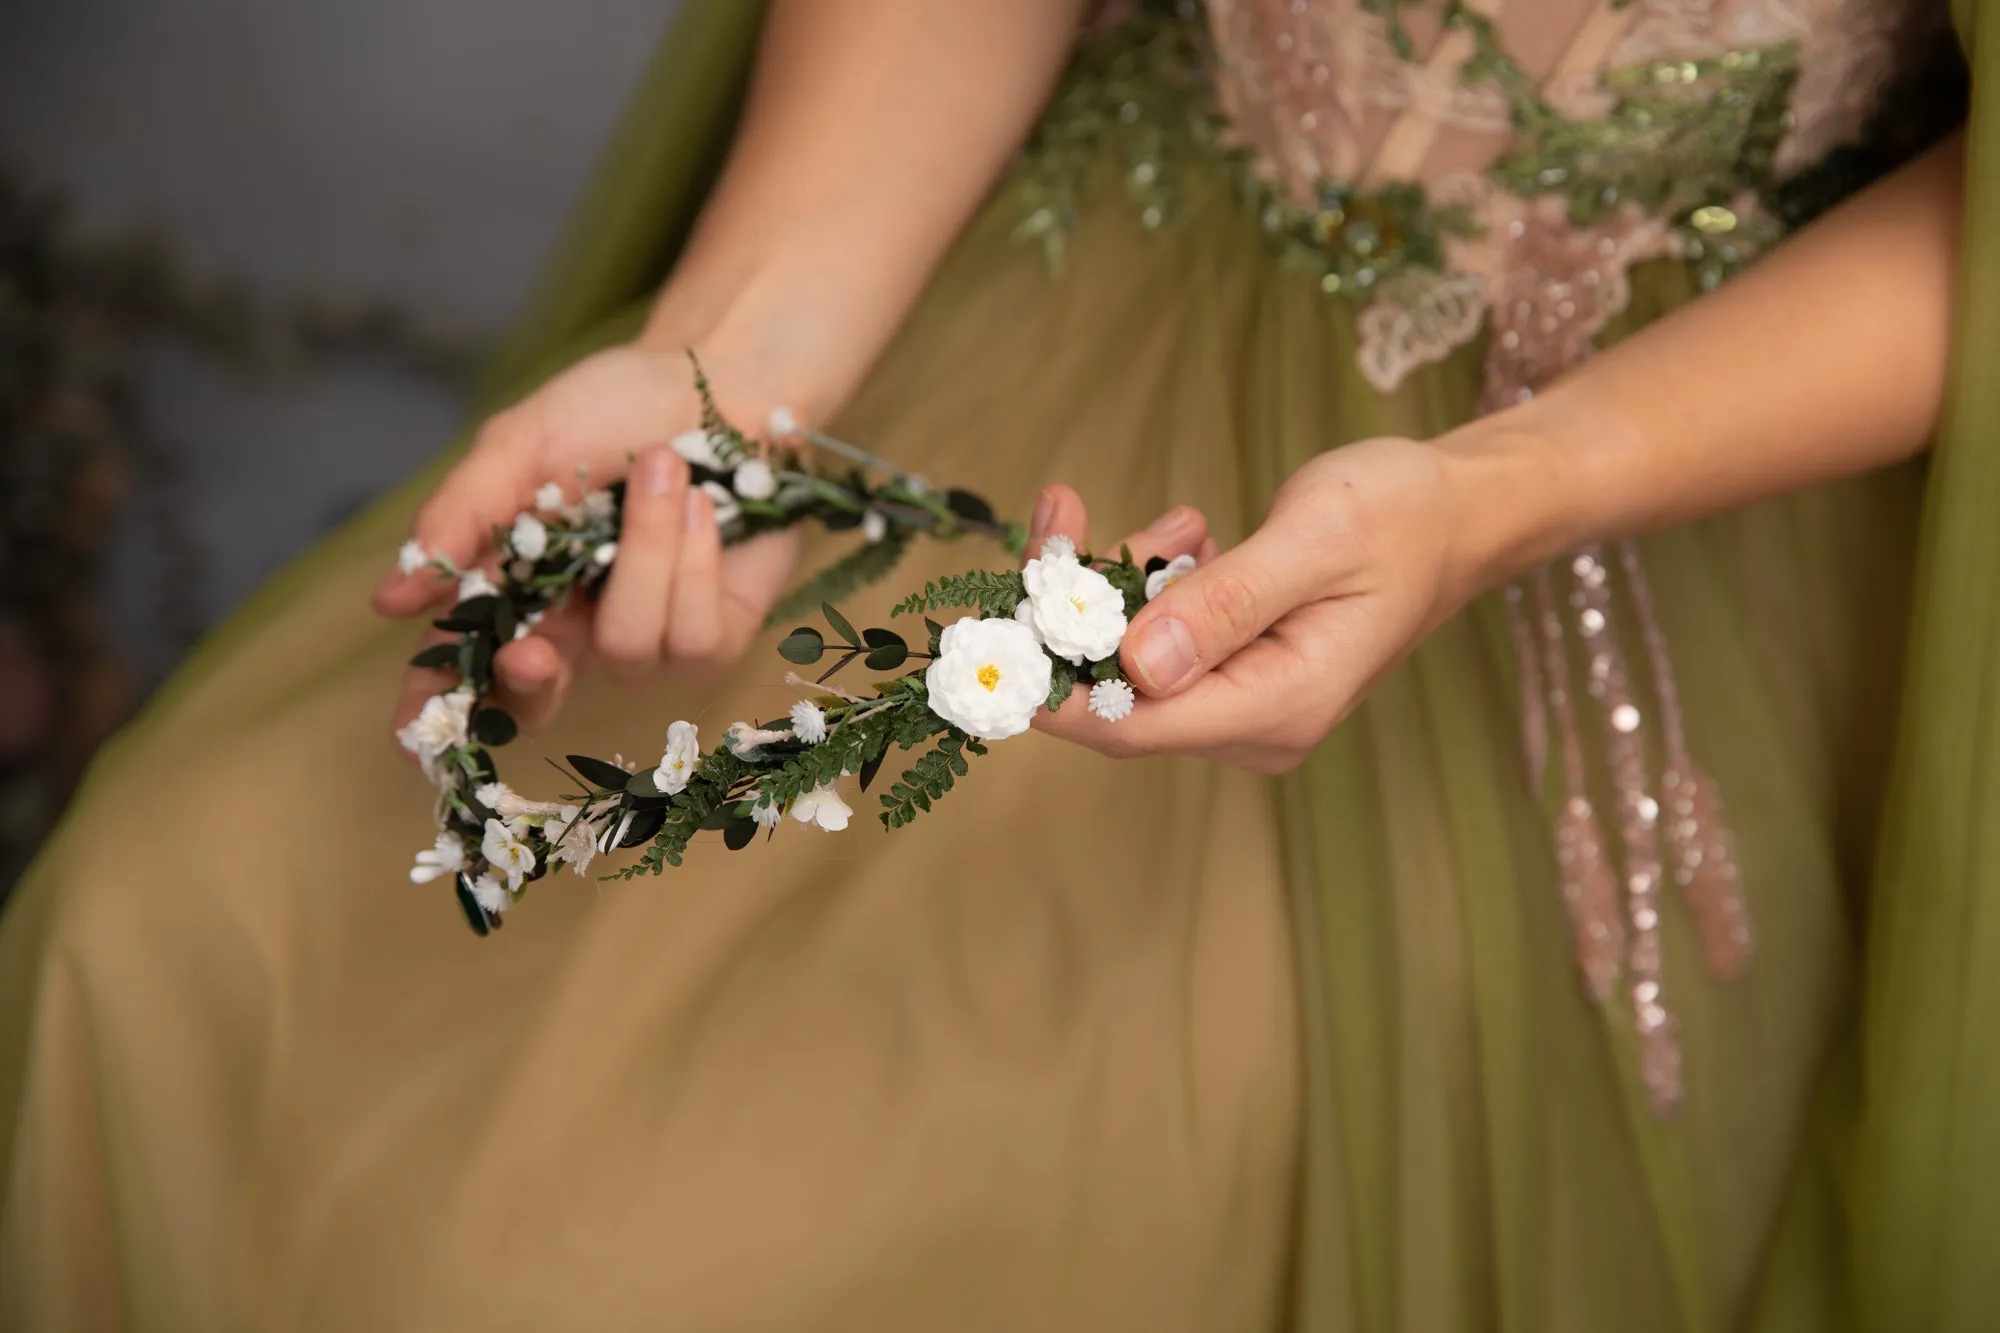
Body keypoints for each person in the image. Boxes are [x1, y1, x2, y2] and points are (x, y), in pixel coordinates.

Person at [1, 0, 1994, 1327]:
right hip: (1060, 312)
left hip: (1649, 482)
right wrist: (746, 364)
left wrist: (1500, 498)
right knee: (170, 927)